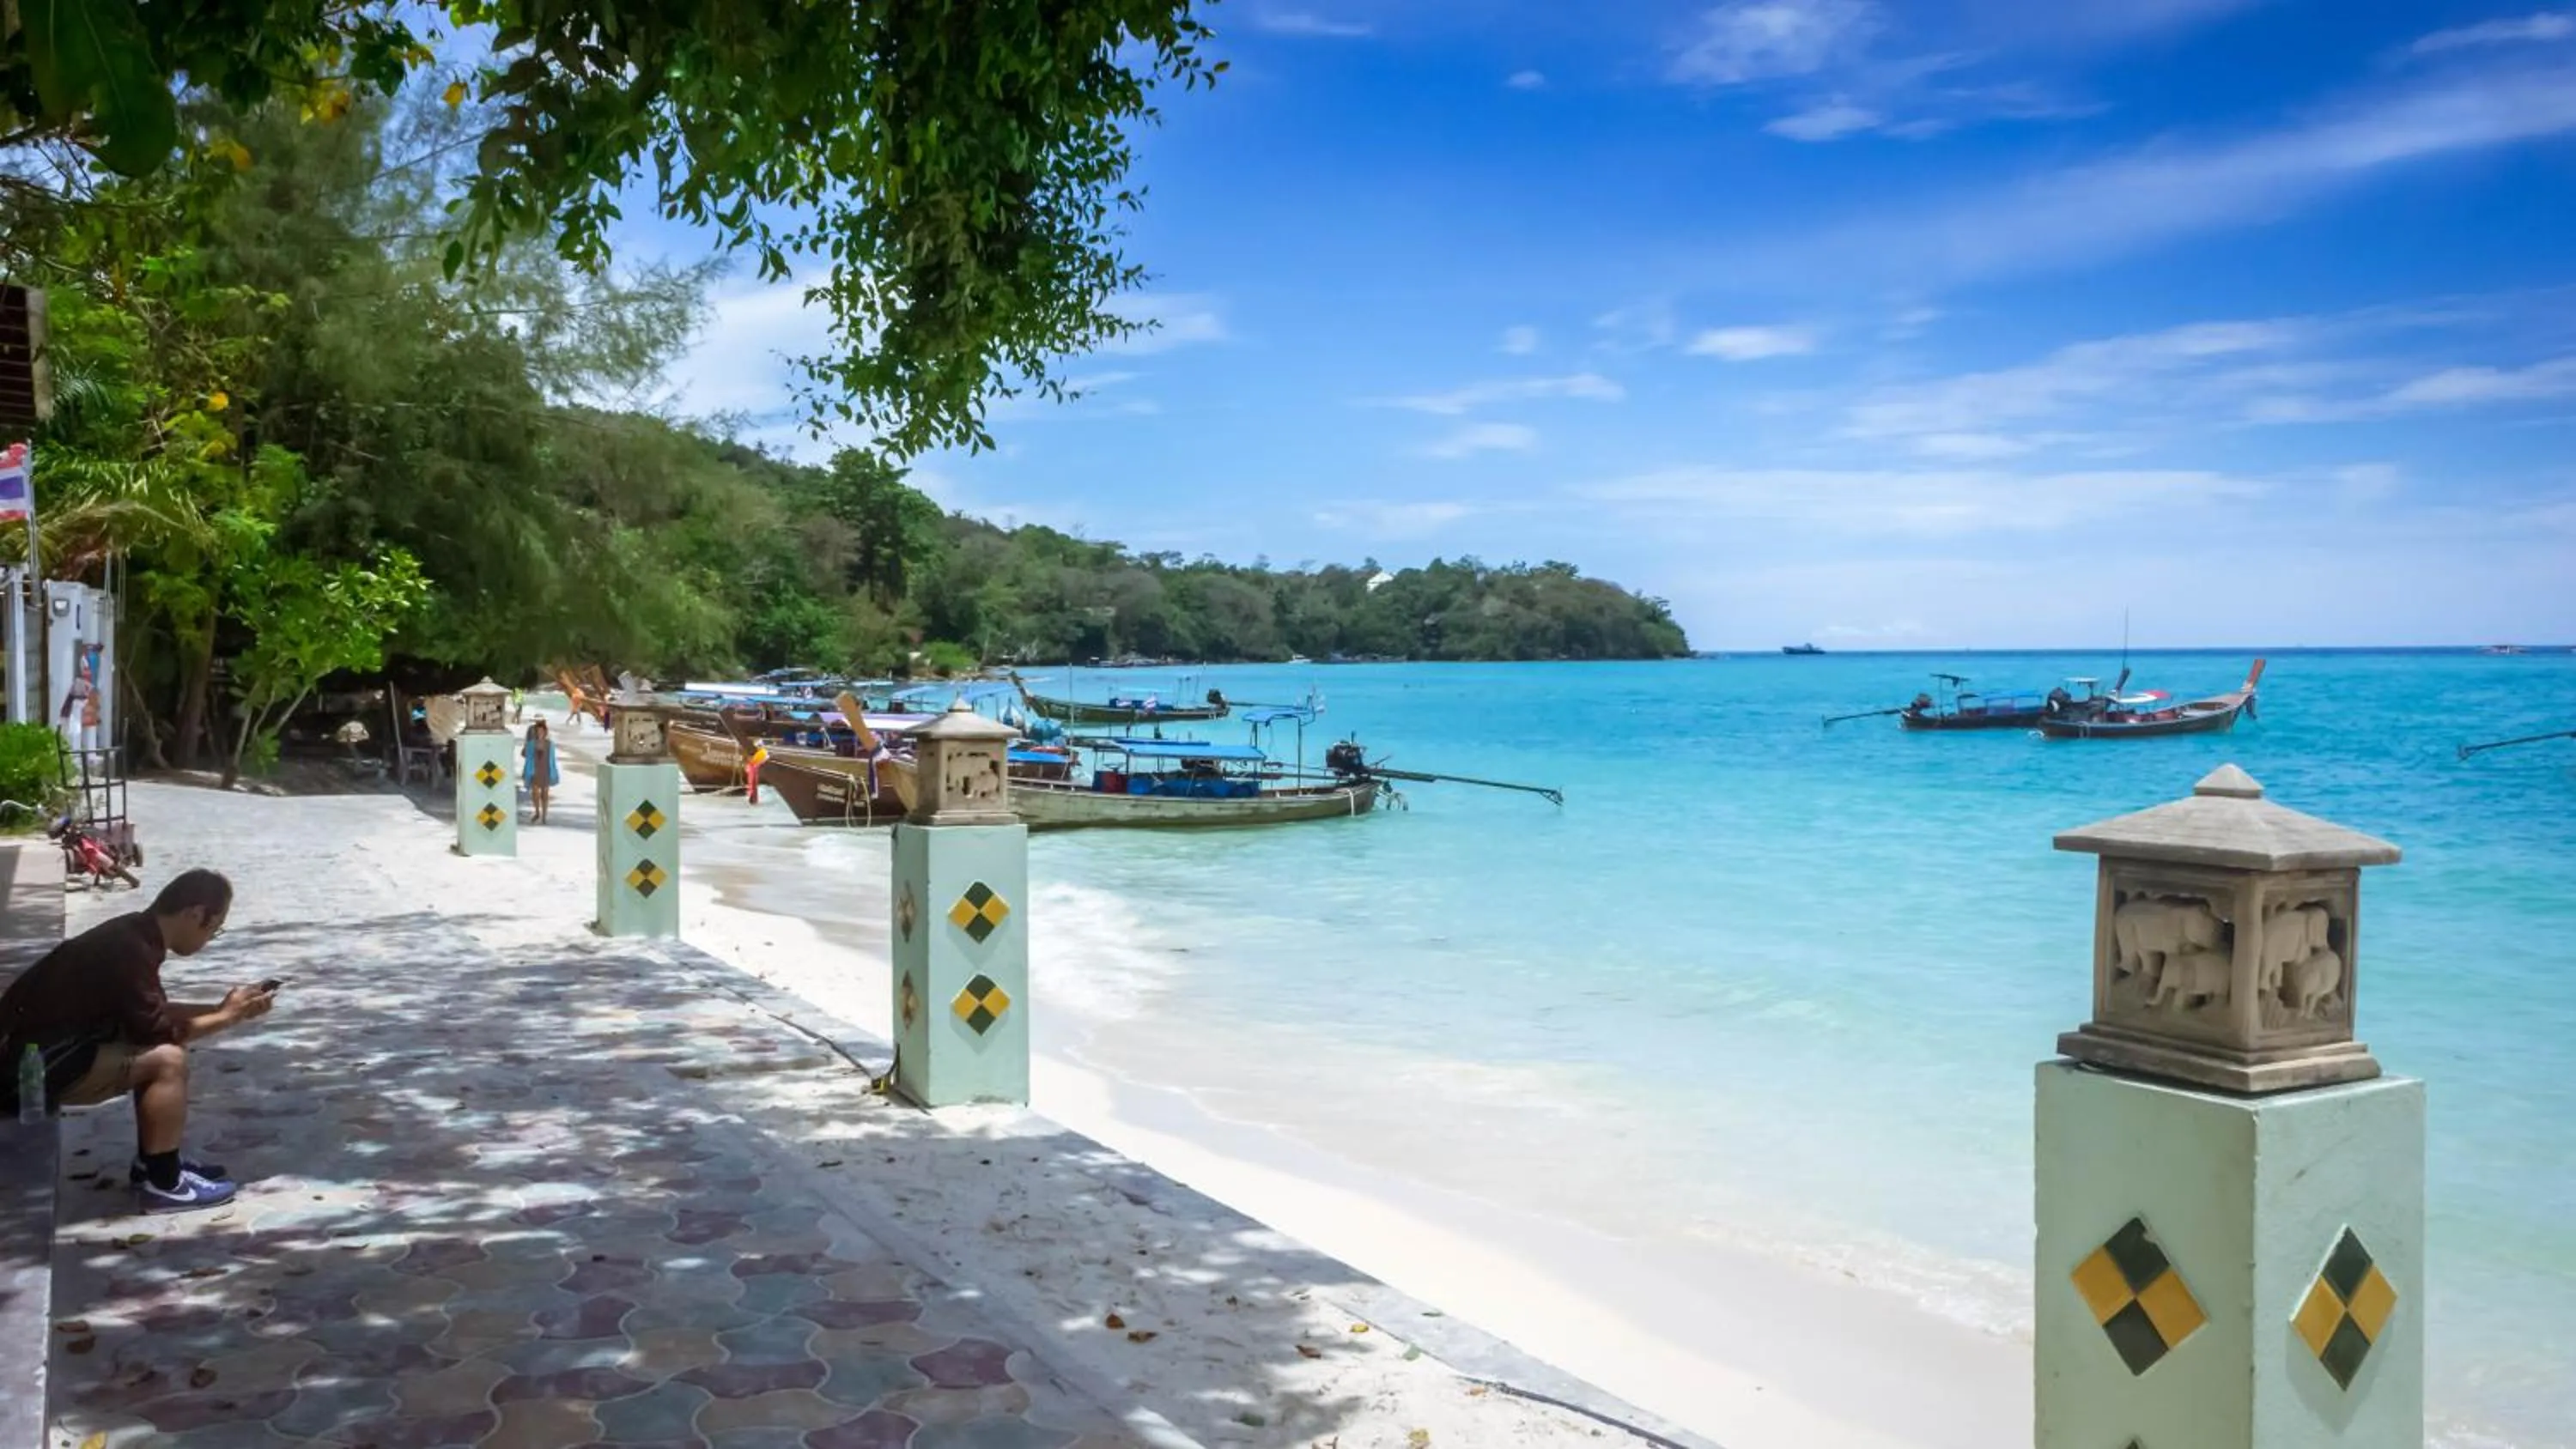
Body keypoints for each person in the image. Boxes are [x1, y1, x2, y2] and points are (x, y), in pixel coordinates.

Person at [0, 870, 271, 1214]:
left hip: (43, 1055)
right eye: (214, 928)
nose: (209, 938)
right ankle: (164, 1184)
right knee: (167, 1060)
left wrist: (224, 1009)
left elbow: (150, 1013)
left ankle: (154, 1162)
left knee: (160, 1051)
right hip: (27, 1073)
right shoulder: (130, 949)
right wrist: (228, 1017)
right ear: (195, 914)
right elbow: (160, 1031)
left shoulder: (133, 933)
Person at [522, 717, 560, 824]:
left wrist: (554, 772)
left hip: (546, 769)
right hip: (534, 769)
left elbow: (552, 760)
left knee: (545, 794)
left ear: (545, 732)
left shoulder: (550, 744)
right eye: (538, 731)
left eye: (542, 731)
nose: (540, 733)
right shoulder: (531, 744)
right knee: (535, 793)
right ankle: (537, 812)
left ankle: (544, 816)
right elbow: (526, 756)